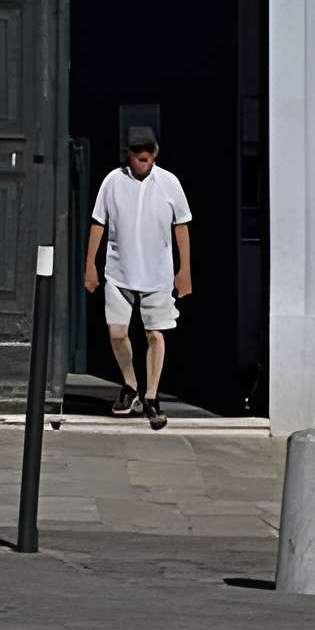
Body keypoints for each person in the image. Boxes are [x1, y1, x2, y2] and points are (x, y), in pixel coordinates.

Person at [84, 126, 191, 432]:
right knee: (117, 333)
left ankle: (152, 396)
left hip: (157, 274)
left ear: (155, 153)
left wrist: (185, 271)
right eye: (137, 155)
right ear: (129, 155)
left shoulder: (169, 182)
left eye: (147, 155)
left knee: (155, 335)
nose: (143, 161)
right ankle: (130, 385)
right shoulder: (113, 181)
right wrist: (90, 264)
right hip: (120, 271)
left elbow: (181, 224)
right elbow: (98, 222)